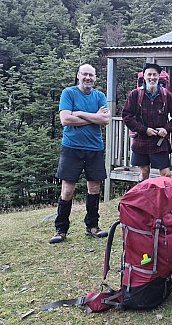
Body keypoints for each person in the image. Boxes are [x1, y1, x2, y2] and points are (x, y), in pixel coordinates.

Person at [50, 64, 110, 244]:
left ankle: (92, 226)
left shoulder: (99, 96)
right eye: (85, 74)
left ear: (95, 78)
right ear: (78, 75)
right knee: (67, 190)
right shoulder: (68, 93)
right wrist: (94, 117)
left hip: (95, 149)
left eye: (91, 75)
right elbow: (65, 119)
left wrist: (81, 114)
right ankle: (61, 229)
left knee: (94, 188)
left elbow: (105, 119)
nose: (88, 78)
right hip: (72, 148)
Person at [122, 62, 172, 181]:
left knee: (166, 174)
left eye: (155, 75)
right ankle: (145, 199)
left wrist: (167, 128)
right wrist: (144, 130)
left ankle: (163, 199)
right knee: (144, 173)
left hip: (159, 141)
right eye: (149, 74)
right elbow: (126, 116)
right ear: (144, 76)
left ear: (159, 76)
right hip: (141, 139)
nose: (152, 77)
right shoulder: (135, 95)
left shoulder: (167, 95)